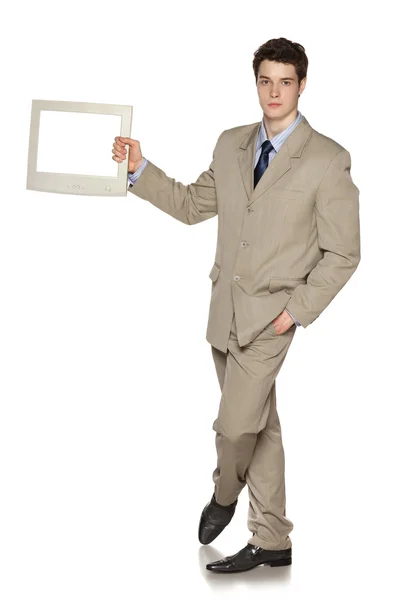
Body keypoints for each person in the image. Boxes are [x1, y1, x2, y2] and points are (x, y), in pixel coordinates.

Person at [111, 37, 361, 574]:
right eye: (265, 81)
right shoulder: (230, 145)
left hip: (271, 320)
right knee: (261, 427)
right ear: (256, 83)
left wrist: (295, 312)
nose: (274, 92)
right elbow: (189, 204)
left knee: (233, 428)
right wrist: (138, 168)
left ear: (302, 85)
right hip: (223, 313)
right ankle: (273, 539)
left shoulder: (327, 160)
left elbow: (344, 253)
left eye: (285, 82)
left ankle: (224, 495)